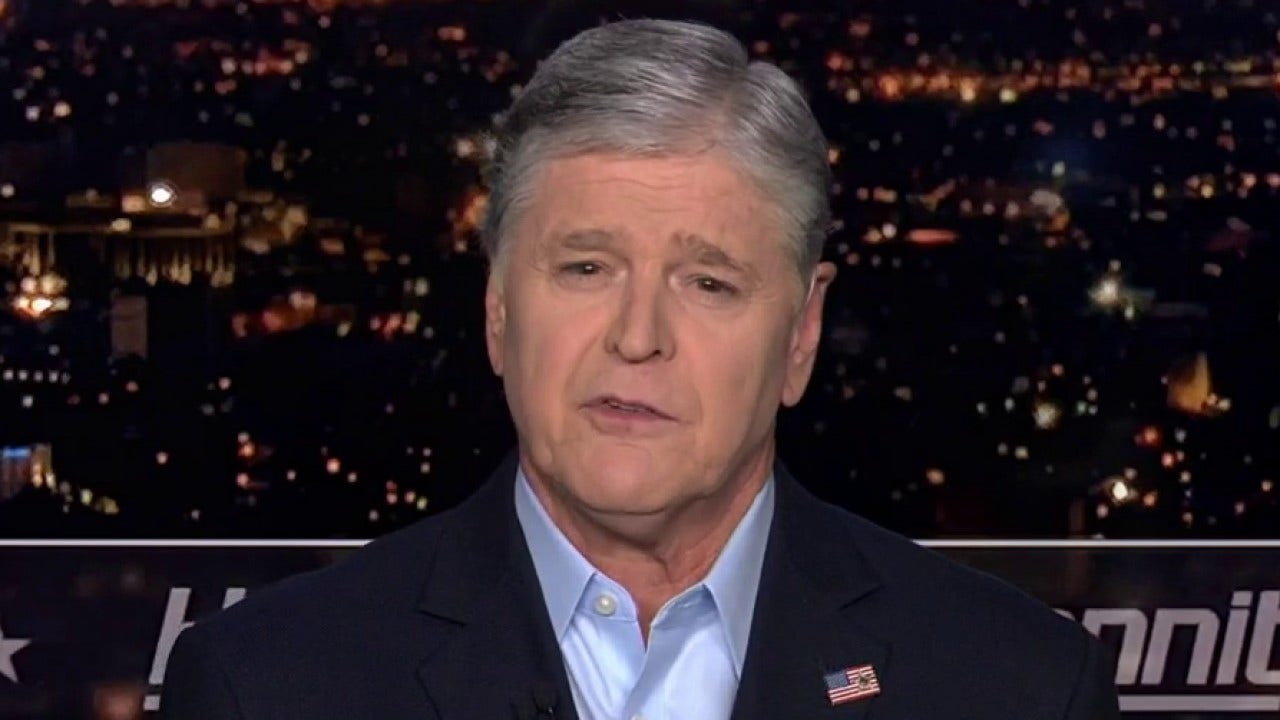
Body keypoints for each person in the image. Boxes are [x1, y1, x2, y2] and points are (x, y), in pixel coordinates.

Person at [161, 18, 1121, 720]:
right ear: (498, 309)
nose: (638, 335)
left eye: (709, 283)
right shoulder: (265, 686)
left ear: (801, 335)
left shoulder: (1022, 689)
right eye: (586, 268)